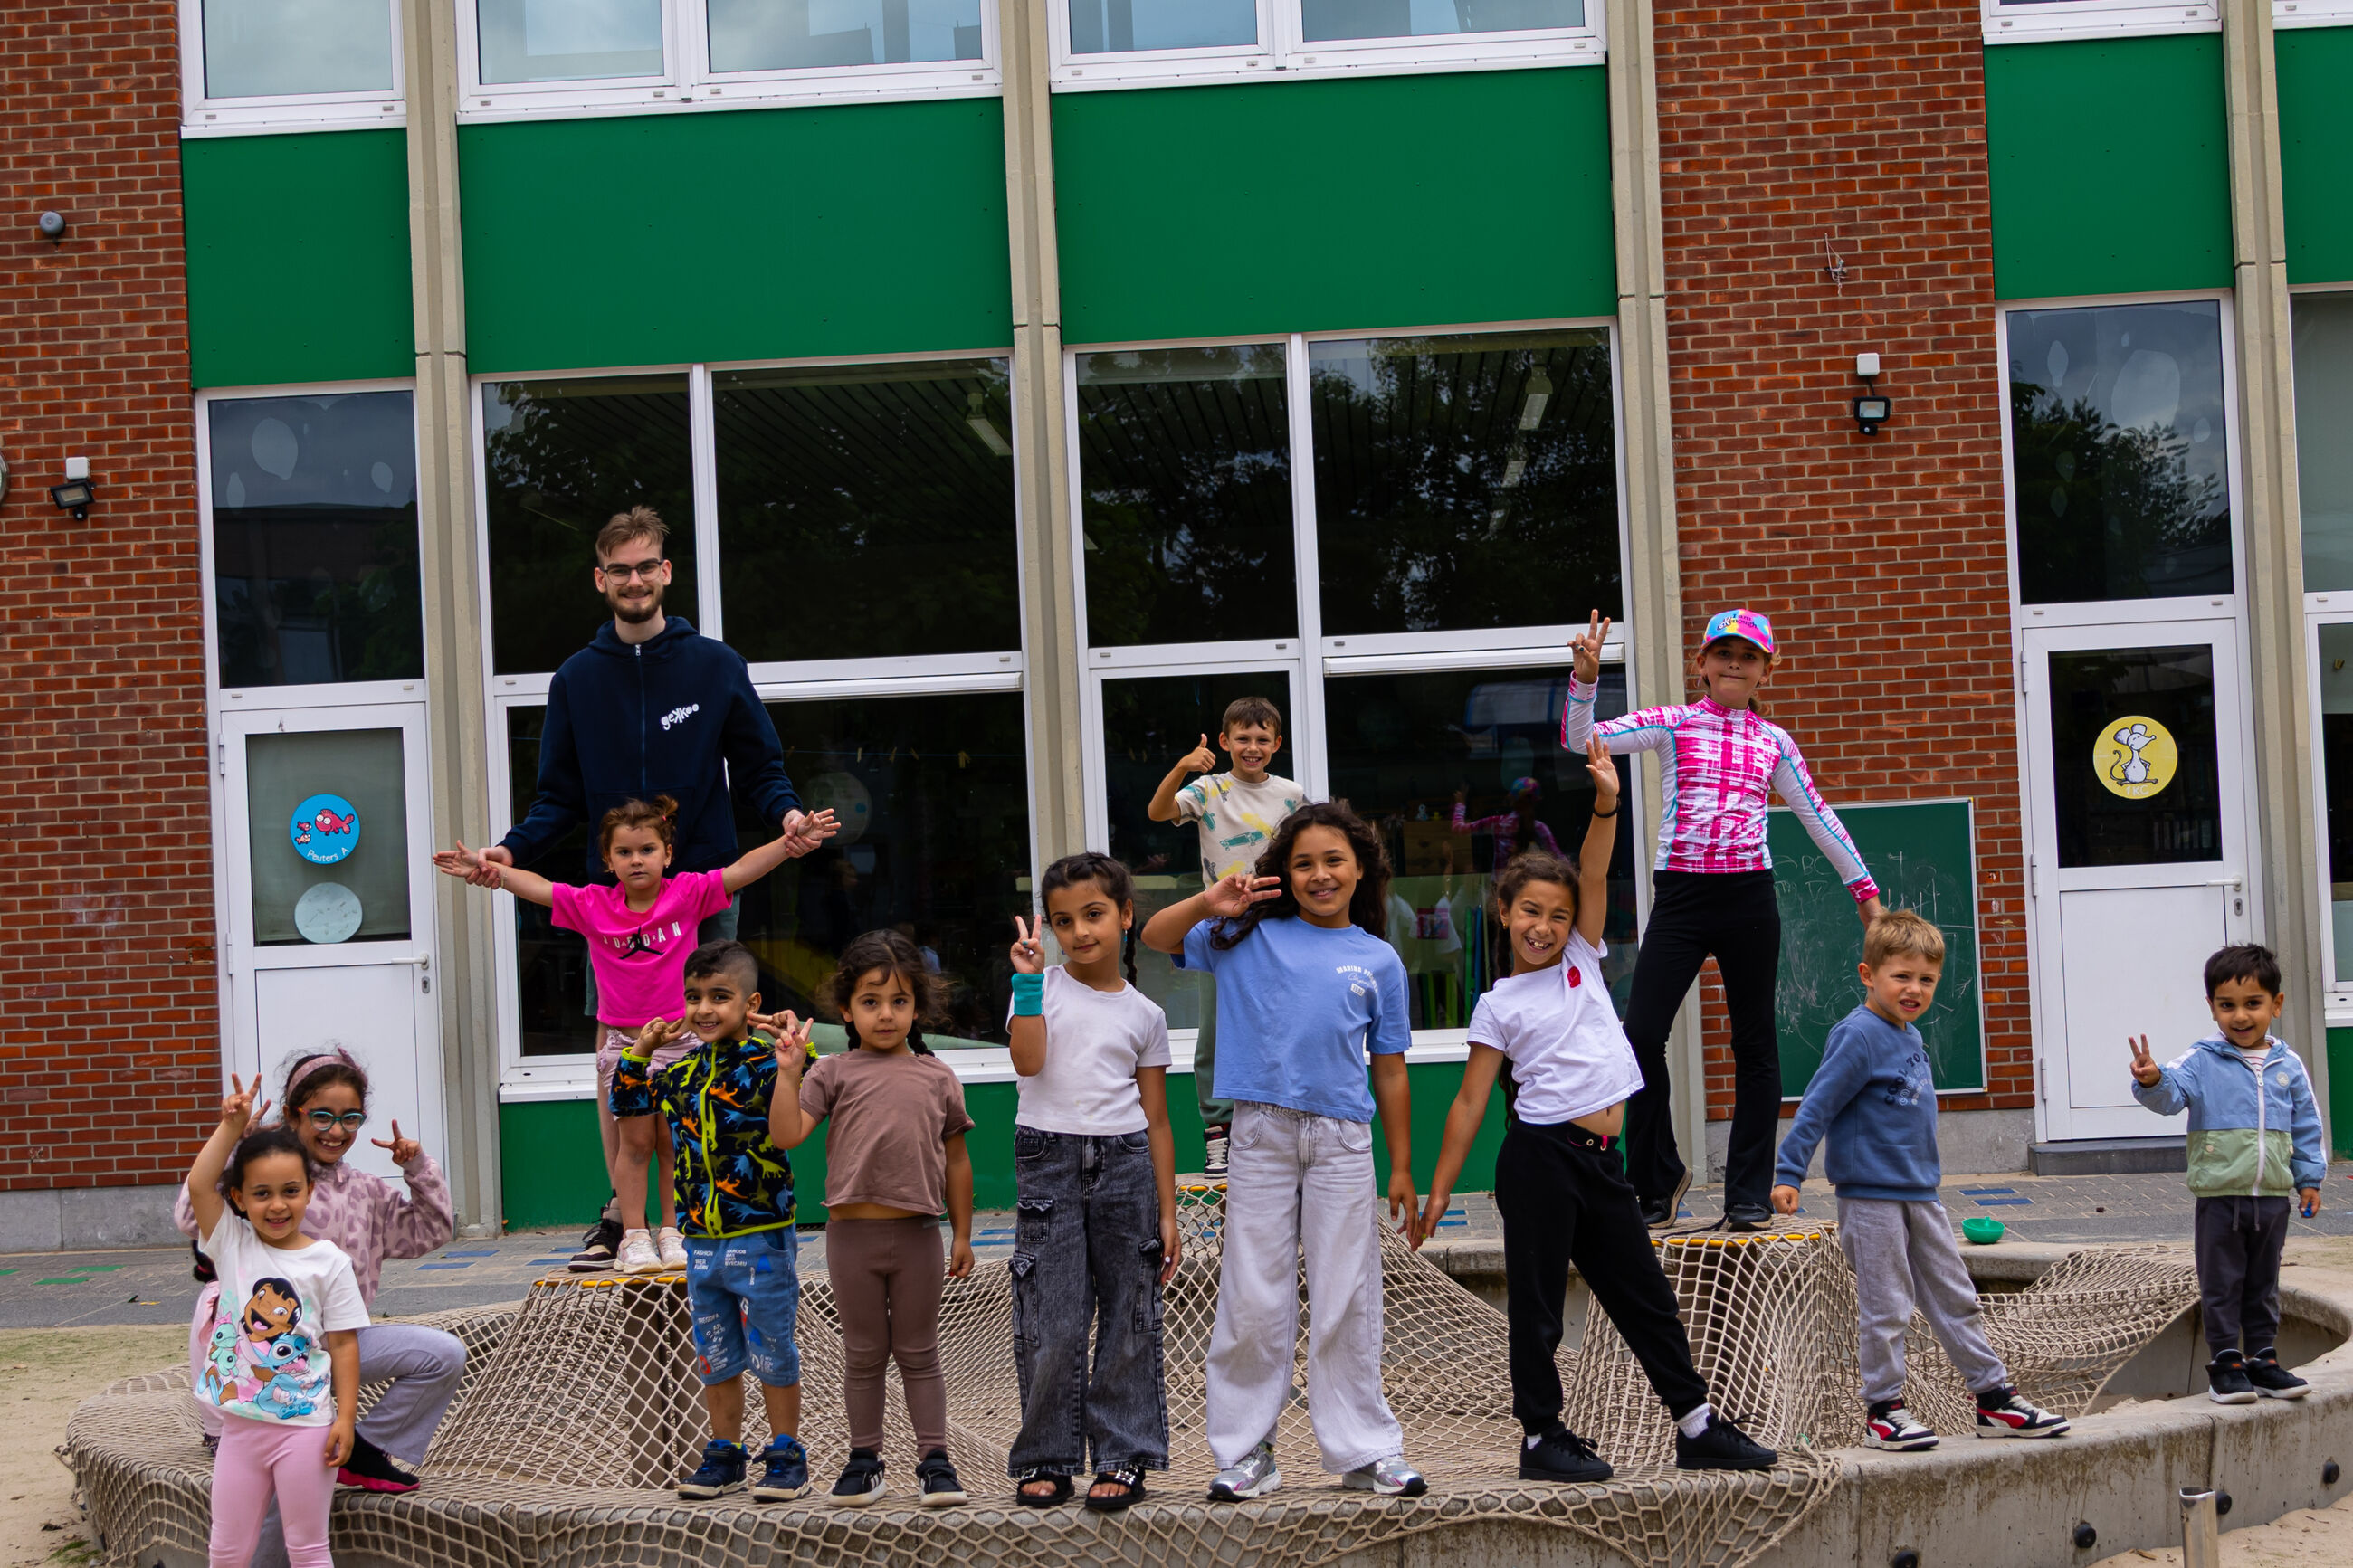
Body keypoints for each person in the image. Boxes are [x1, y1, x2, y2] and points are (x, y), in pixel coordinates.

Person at [468, 507, 827, 1271]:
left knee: (715, 1039)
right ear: (601, 580)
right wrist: (508, 850)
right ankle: (624, 1218)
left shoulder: (715, 665)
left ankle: (716, 1197)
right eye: (619, 569)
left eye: (647, 566)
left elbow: (760, 768)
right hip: (619, 907)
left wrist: (788, 816)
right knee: (622, 1054)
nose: (634, 580)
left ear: (666, 573)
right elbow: (556, 800)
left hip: (704, 893)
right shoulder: (576, 678)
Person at [1413, 744, 1779, 1481]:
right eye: (1529, 913)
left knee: (1646, 1299)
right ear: (1504, 914)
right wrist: (1442, 1187)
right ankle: (1540, 1436)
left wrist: (1606, 803)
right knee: (1539, 1309)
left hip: (1599, 1162)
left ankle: (1697, 1423)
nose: (1543, 925)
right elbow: (1469, 1099)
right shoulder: (1498, 1003)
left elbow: (1595, 867)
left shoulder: (1583, 953)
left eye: (1556, 913)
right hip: (1540, 1160)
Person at [1141, 800, 1426, 1503]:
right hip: (1259, 1136)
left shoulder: (1379, 959)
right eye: (1303, 863)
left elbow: (1389, 1067)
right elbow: (1153, 936)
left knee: (1346, 1294)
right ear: (1283, 873)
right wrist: (1212, 898)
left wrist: (1404, 1165)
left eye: (1334, 860)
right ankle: (1247, 1452)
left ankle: (1364, 1449)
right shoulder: (1241, 935)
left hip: (1342, 1142)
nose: (1320, 874)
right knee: (1253, 1295)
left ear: (1361, 869)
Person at [1562, 606, 1882, 1231]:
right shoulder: (1674, 722)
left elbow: (1818, 816)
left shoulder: (1775, 742)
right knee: (1640, 1035)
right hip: (1681, 896)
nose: (1735, 663)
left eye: (1749, 656)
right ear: (1701, 664)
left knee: (1755, 1044)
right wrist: (1586, 681)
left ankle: (1747, 1194)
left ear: (1767, 670)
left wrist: (1865, 895)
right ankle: (1656, 1180)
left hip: (1748, 899)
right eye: (1724, 653)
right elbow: (1583, 739)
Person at [436, 795, 834, 1276]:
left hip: (683, 1047)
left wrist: (788, 845)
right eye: (624, 853)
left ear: (667, 853)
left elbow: (741, 870)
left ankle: (672, 1231)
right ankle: (633, 1235)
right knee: (635, 1145)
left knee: (673, 1144)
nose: (636, 860)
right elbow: (540, 887)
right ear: (608, 861)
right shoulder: (592, 904)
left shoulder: (686, 893)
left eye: (647, 849)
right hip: (627, 1050)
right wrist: (490, 869)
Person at [1771, 911, 2072, 1448]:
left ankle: (1993, 1398)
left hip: (1921, 1196)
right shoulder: (1858, 1035)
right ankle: (1883, 1410)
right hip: (1871, 1199)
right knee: (1887, 1306)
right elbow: (1815, 1106)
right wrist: (1789, 1172)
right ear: (1868, 974)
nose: (1914, 989)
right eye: (1901, 976)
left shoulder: (1908, 1035)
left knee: (1957, 1298)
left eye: (1926, 979)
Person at [176, 1048, 464, 1549]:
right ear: (292, 1114)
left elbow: (431, 1230)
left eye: (350, 1117)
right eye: (322, 1116)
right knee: (271, 1500)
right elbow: (190, 1213)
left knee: (443, 1354)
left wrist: (417, 1167)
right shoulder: (263, 1174)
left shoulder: (368, 1190)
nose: (337, 1130)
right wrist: (234, 1140)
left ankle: (362, 1449)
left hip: (336, 1345)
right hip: (266, 1359)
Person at [770, 928, 977, 1507]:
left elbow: (957, 1162)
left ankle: (935, 1460)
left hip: (918, 1237)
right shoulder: (831, 1072)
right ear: (846, 1010)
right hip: (851, 1238)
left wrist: (962, 1233)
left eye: (899, 1002)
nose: (886, 1015)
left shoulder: (938, 1077)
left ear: (917, 1008)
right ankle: (865, 1459)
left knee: (918, 1350)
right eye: (870, 1001)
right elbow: (786, 1135)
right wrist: (788, 1073)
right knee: (862, 1354)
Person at [1004, 852, 1179, 1511]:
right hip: (1048, 1159)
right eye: (1063, 920)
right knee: (1053, 1316)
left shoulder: (1145, 1013)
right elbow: (1028, 1059)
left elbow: (1157, 1118)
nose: (1080, 931)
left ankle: (1123, 1454)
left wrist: (1167, 1210)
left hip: (1126, 1165)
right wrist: (1023, 984)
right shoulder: (1039, 988)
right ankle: (1046, 1456)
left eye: (1095, 915)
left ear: (1126, 916)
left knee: (1130, 1316)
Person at [612, 940, 815, 1503]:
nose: (704, 1009)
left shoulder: (764, 1062)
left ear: (749, 1003)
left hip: (762, 1235)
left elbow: (813, 1082)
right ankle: (725, 1453)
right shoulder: (682, 1070)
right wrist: (638, 1053)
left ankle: (785, 1453)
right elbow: (629, 1107)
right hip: (700, 1241)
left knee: (773, 1346)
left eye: (720, 997)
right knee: (716, 1349)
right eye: (694, 997)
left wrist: (791, 1043)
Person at [2129, 942, 2325, 1403]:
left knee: (2263, 1284)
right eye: (2227, 1005)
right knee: (2222, 1284)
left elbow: (2307, 1123)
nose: (2240, 1016)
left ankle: (2263, 1361)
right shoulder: (2200, 1060)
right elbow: (2170, 1096)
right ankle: (2225, 1366)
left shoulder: (2288, 1065)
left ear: (2275, 1004)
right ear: (2212, 1008)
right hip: (2220, 1198)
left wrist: (2309, 1178)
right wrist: (2151, 1079)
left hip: (2272, 1198)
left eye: (2253, 1004)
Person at [185, 1075, 366, 1568]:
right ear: (239, 1200)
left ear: (310, 1191)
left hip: (306, 1427)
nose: (278, 1204)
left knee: (307, 1548)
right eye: (261, 1193)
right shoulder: (231, 1245)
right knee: (226, 1550)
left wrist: (345, 1419)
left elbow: (345, 1345)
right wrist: (230, 1126)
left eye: (290, 1190)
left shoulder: (329, 1262)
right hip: (238, 1429)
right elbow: (200, 1184)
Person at [1146, 695, 1305, 1180]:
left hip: (1280, 922)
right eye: (1242, 738)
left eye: (1262, 739)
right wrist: (1181, 767)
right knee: (1216, 1031)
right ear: (1224, 742)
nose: (1251, 747)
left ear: (1277, 743)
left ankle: (1282, 1126)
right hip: (1222, 925)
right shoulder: (1209, 788)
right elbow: (1158, 812)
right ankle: (1218, 1134)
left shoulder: (1293, 795)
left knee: (1283, 1020)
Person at [1451, 777, 1562, 862]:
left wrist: (1460, 804)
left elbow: (1458, 829)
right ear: (1536, 801)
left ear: (1511, 797)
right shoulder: (1540, 828)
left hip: (1500, 886)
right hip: (1527, 887)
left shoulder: (1498, 822)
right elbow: (1560, 860)